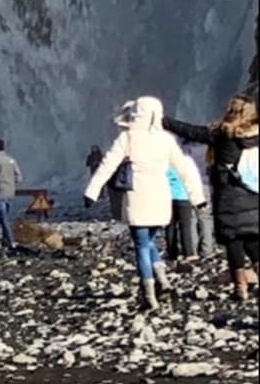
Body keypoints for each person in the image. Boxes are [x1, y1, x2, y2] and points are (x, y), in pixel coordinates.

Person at [85, 96, 204, 312]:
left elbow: (107, 165)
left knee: (141, 245)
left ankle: (149, 293)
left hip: (137, 197)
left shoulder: (128, 138)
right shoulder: (166, 140)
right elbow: (185, 170)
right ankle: (163, 280)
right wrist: (198, 198)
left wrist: (92, 191)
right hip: (161, 197)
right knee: (149, 241)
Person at [163, 93, 259, 301]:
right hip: (254, 195)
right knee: (253, 240)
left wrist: (164, 121)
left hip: (228, 198)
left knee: (234, 242)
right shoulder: (256, 137)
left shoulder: (221, 134)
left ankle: (240, 288)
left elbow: (191, 131)